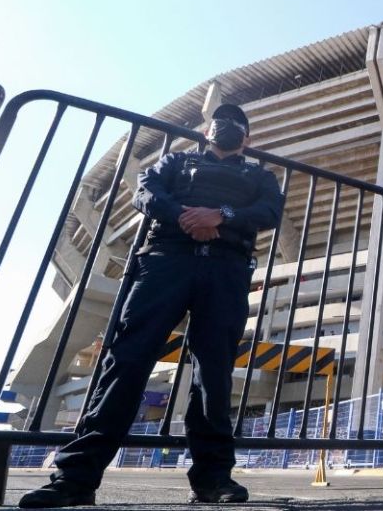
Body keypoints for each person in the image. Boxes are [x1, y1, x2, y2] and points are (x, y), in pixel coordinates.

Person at [19, 104, 284, 508]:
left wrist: (221, 215)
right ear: (206, 130)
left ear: (249, 138)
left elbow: (269, 211)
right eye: (220, 121)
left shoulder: (259, 175)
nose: (227, 127)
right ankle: (76, 477)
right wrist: (186, 216)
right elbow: (146, 192)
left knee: (213, 375)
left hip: (226, 269)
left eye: (237, 123)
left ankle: (213, 480)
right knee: (126, 360)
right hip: (165, 261)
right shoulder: (177, 160)